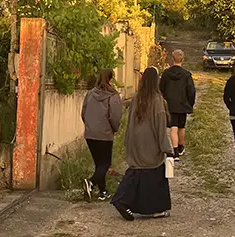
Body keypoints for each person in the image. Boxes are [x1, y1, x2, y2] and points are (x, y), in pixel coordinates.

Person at [112, 67, 174, 221]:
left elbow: (130, 120)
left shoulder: (136, 97)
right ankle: (155, 209)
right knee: (155, 174)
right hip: (150, 141)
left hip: (135, 139)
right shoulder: (157, 100)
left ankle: (122, 199)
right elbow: (160, 126)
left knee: (136, 171)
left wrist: (127, 141)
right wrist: (167, 148)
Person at [81, 69, 123, 201]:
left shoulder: (90, 94)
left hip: (90, 134)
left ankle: (103, 191)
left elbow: (83, 113)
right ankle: (91, 182)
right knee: (105, 164)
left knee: (99, 164)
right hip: (104, 134)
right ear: (111, 80)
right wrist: (114, 129)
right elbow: (115, 117)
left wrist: (89, 126)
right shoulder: (113, 96)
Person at [159, 49, 195, 160]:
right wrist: (190, 104)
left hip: (170, 104)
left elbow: (161, 89)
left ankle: (175, 151)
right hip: (182, 104)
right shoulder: (186, 75)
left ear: (172, 59)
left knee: (173, 128)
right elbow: (191, 91)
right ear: (182, 60)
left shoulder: (166, 74)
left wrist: (163, 101)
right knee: (181, 127)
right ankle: (180, 146)